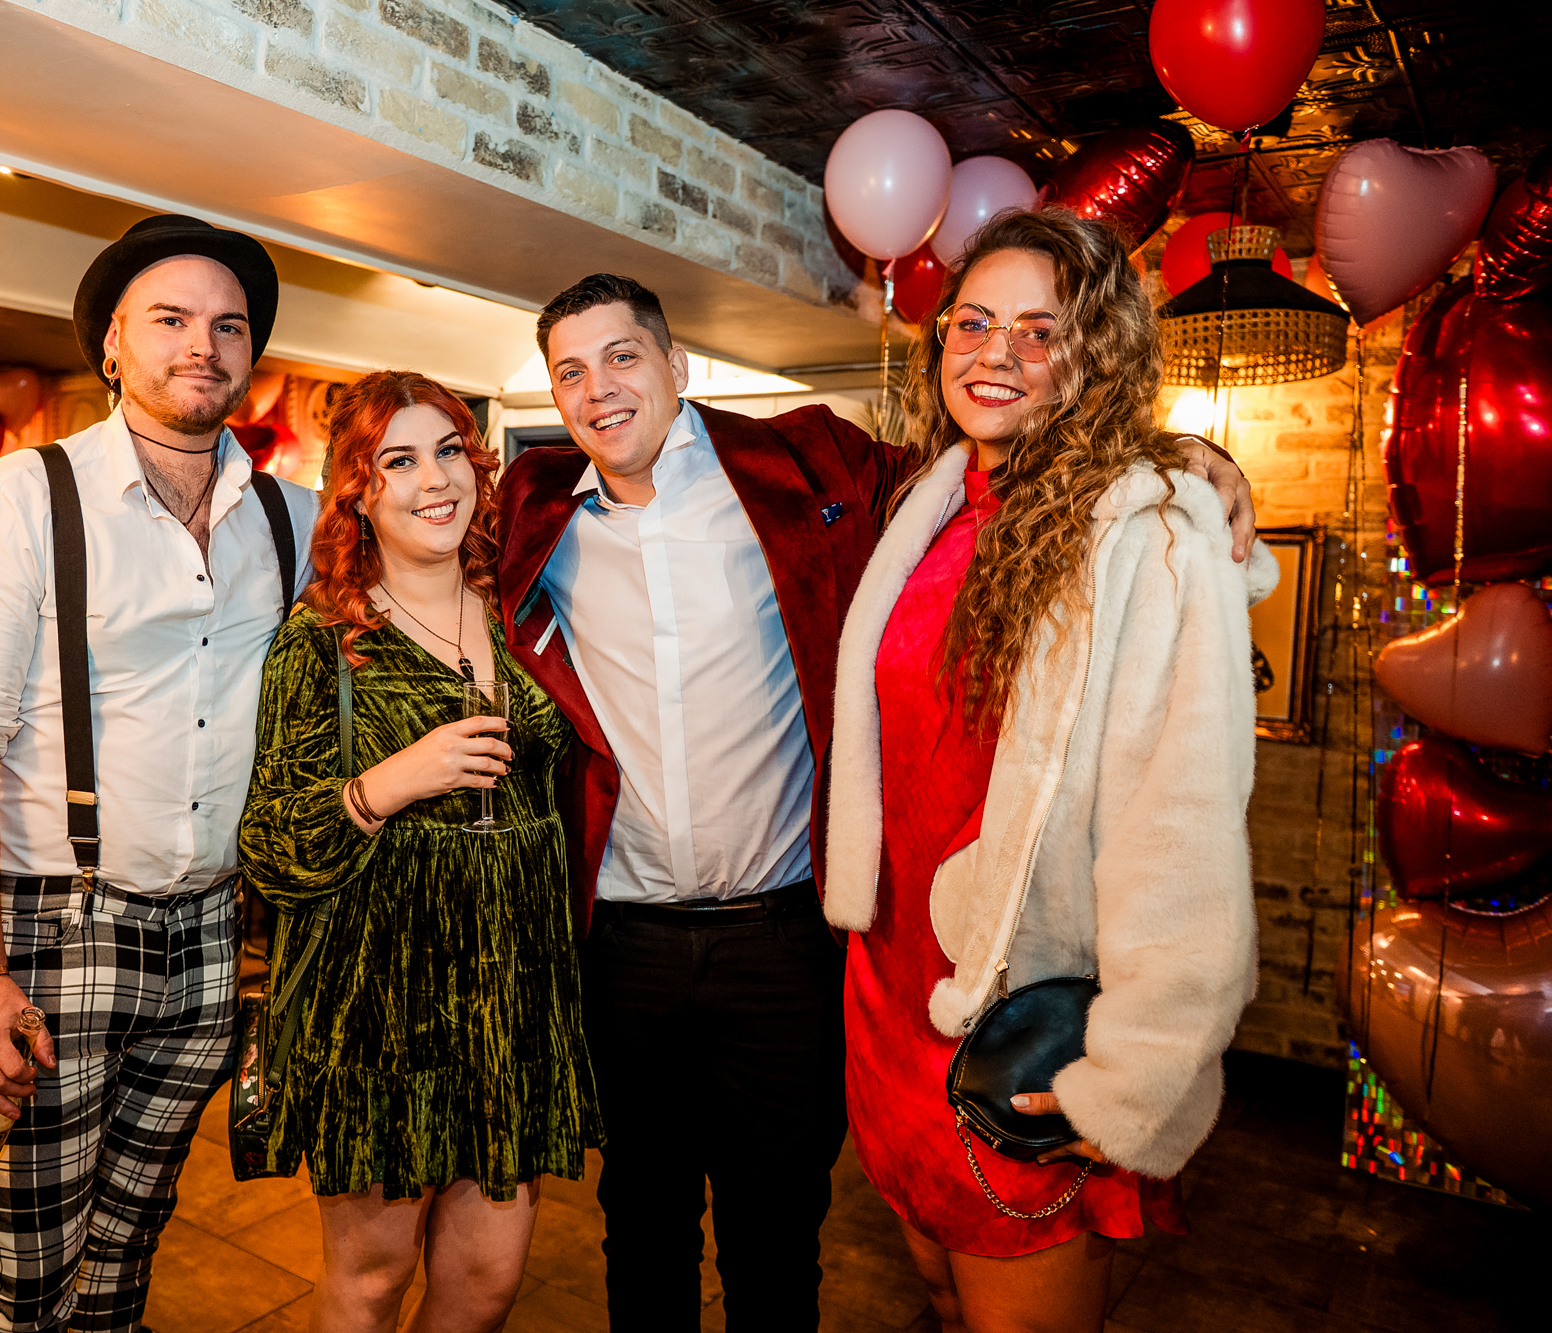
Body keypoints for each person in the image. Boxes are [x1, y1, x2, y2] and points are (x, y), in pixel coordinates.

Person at [495, 272, 1258, 1330]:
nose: (597, 389)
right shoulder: (532, 513)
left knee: (776, 1231)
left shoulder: (810, 468)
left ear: (674, 367)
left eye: (622, 356)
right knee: (640, 1223)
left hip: (784, 940)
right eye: (569, 371)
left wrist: (1177, 455)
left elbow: (1013, 470)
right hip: (621, 943)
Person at [822, 209, 1272, 1333]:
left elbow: (1183, 830)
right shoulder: (925, 511)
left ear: (1095, 353)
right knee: (934, 1290)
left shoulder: (1150, 531)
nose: (996, 354)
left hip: (1021, 1017)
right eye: (971, 324)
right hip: (890, 1003)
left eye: (1040, 330)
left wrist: (1134, 1080)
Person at [0, 215, 316, 1333]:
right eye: (172, 319)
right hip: (59, 920)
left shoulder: (291, 519)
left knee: (135, 1231)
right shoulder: (23, 496)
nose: (204, 343)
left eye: (228, 324)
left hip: (212, 938)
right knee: (32, 1251)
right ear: (110, 348)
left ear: (250, 354)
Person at [238, 370, 602, 1333]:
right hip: (380, 1011)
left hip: (513, 1000)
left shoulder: (527, 619)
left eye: (449, 451)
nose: (433, 479)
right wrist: (393, 779)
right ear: (358, 489)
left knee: (486, 1279)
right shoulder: (322, 643)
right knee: (371, 1278)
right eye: (397, 460)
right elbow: (272, 846)